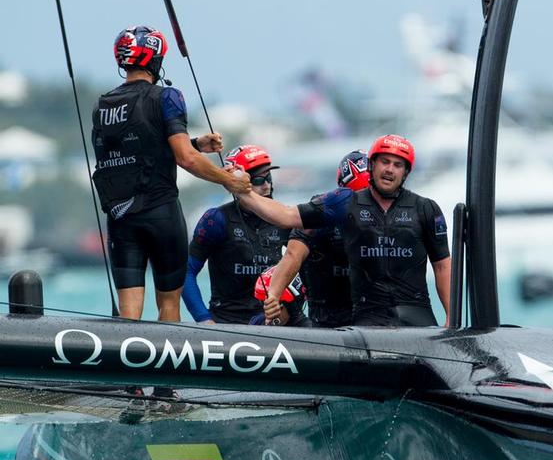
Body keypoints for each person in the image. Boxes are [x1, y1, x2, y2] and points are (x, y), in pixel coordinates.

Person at [91, 25, 250, 323]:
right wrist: (230, 180)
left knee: (128, 314)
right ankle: (166, 370)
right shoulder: (167, 97)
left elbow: (140, 149)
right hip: (160, 213)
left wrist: (196, 143)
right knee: (168, 305)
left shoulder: (102, 105)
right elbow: (185, 160)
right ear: (156, 60)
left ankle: (128, 368)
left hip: (120, 218)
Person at [239, 134, 451, 327]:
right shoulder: (339, 203)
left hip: (401, 317)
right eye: (384, 162)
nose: (389, 169)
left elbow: (442, 265)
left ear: (405, 172)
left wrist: (451, 317)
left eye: (397, 165)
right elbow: (290, 234)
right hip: (342, 320)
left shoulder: (423, 208)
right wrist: (273, 297)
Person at [183, 145, 292, 324]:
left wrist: (291, 310)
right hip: (226, 323)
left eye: (269, 178)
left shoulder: (285, 218)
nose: (266, 186)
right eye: (258, 180)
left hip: (270, 322)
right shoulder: (215, 219)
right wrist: (203, 319)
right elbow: (186, 271)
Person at [263, 150, 370, 328]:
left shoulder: (392, 214)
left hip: (372, 321)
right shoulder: (325, 209)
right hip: (325, 322)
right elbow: (292, 255)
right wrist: (273, 296)